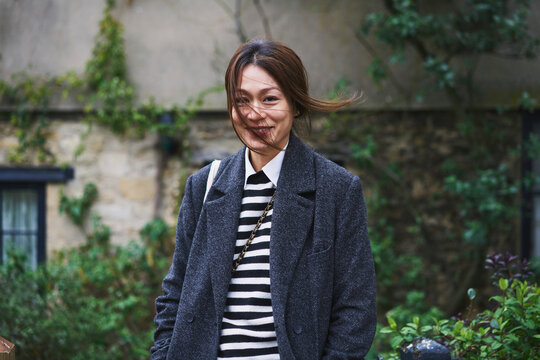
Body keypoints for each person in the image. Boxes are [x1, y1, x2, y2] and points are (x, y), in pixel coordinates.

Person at [151, 39, 376, 360]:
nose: (254, 114)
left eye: (270, 99)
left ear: (295, 104)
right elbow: (174, 293)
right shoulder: (204, 185)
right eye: (242, 100)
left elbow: (357, 308)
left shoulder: (336, 189)